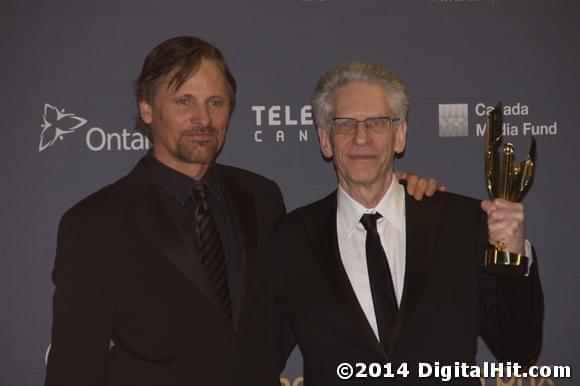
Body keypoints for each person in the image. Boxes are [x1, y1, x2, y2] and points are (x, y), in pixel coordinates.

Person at [45, 37, 438, 386]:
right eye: (184, 101)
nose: (203, 118)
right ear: (146, 109)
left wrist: (392, 191)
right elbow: (73, 370)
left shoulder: (261, 198)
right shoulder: (96, 223)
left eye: (215, 102)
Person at [274, 62, 543, 385]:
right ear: (325, 139)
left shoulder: (465, 224)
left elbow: (519, 351)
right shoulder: (291, 240)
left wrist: (514, 255)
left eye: (377, 123)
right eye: (345, 124)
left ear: (399, 135)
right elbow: (257, 354)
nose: (361, 138)